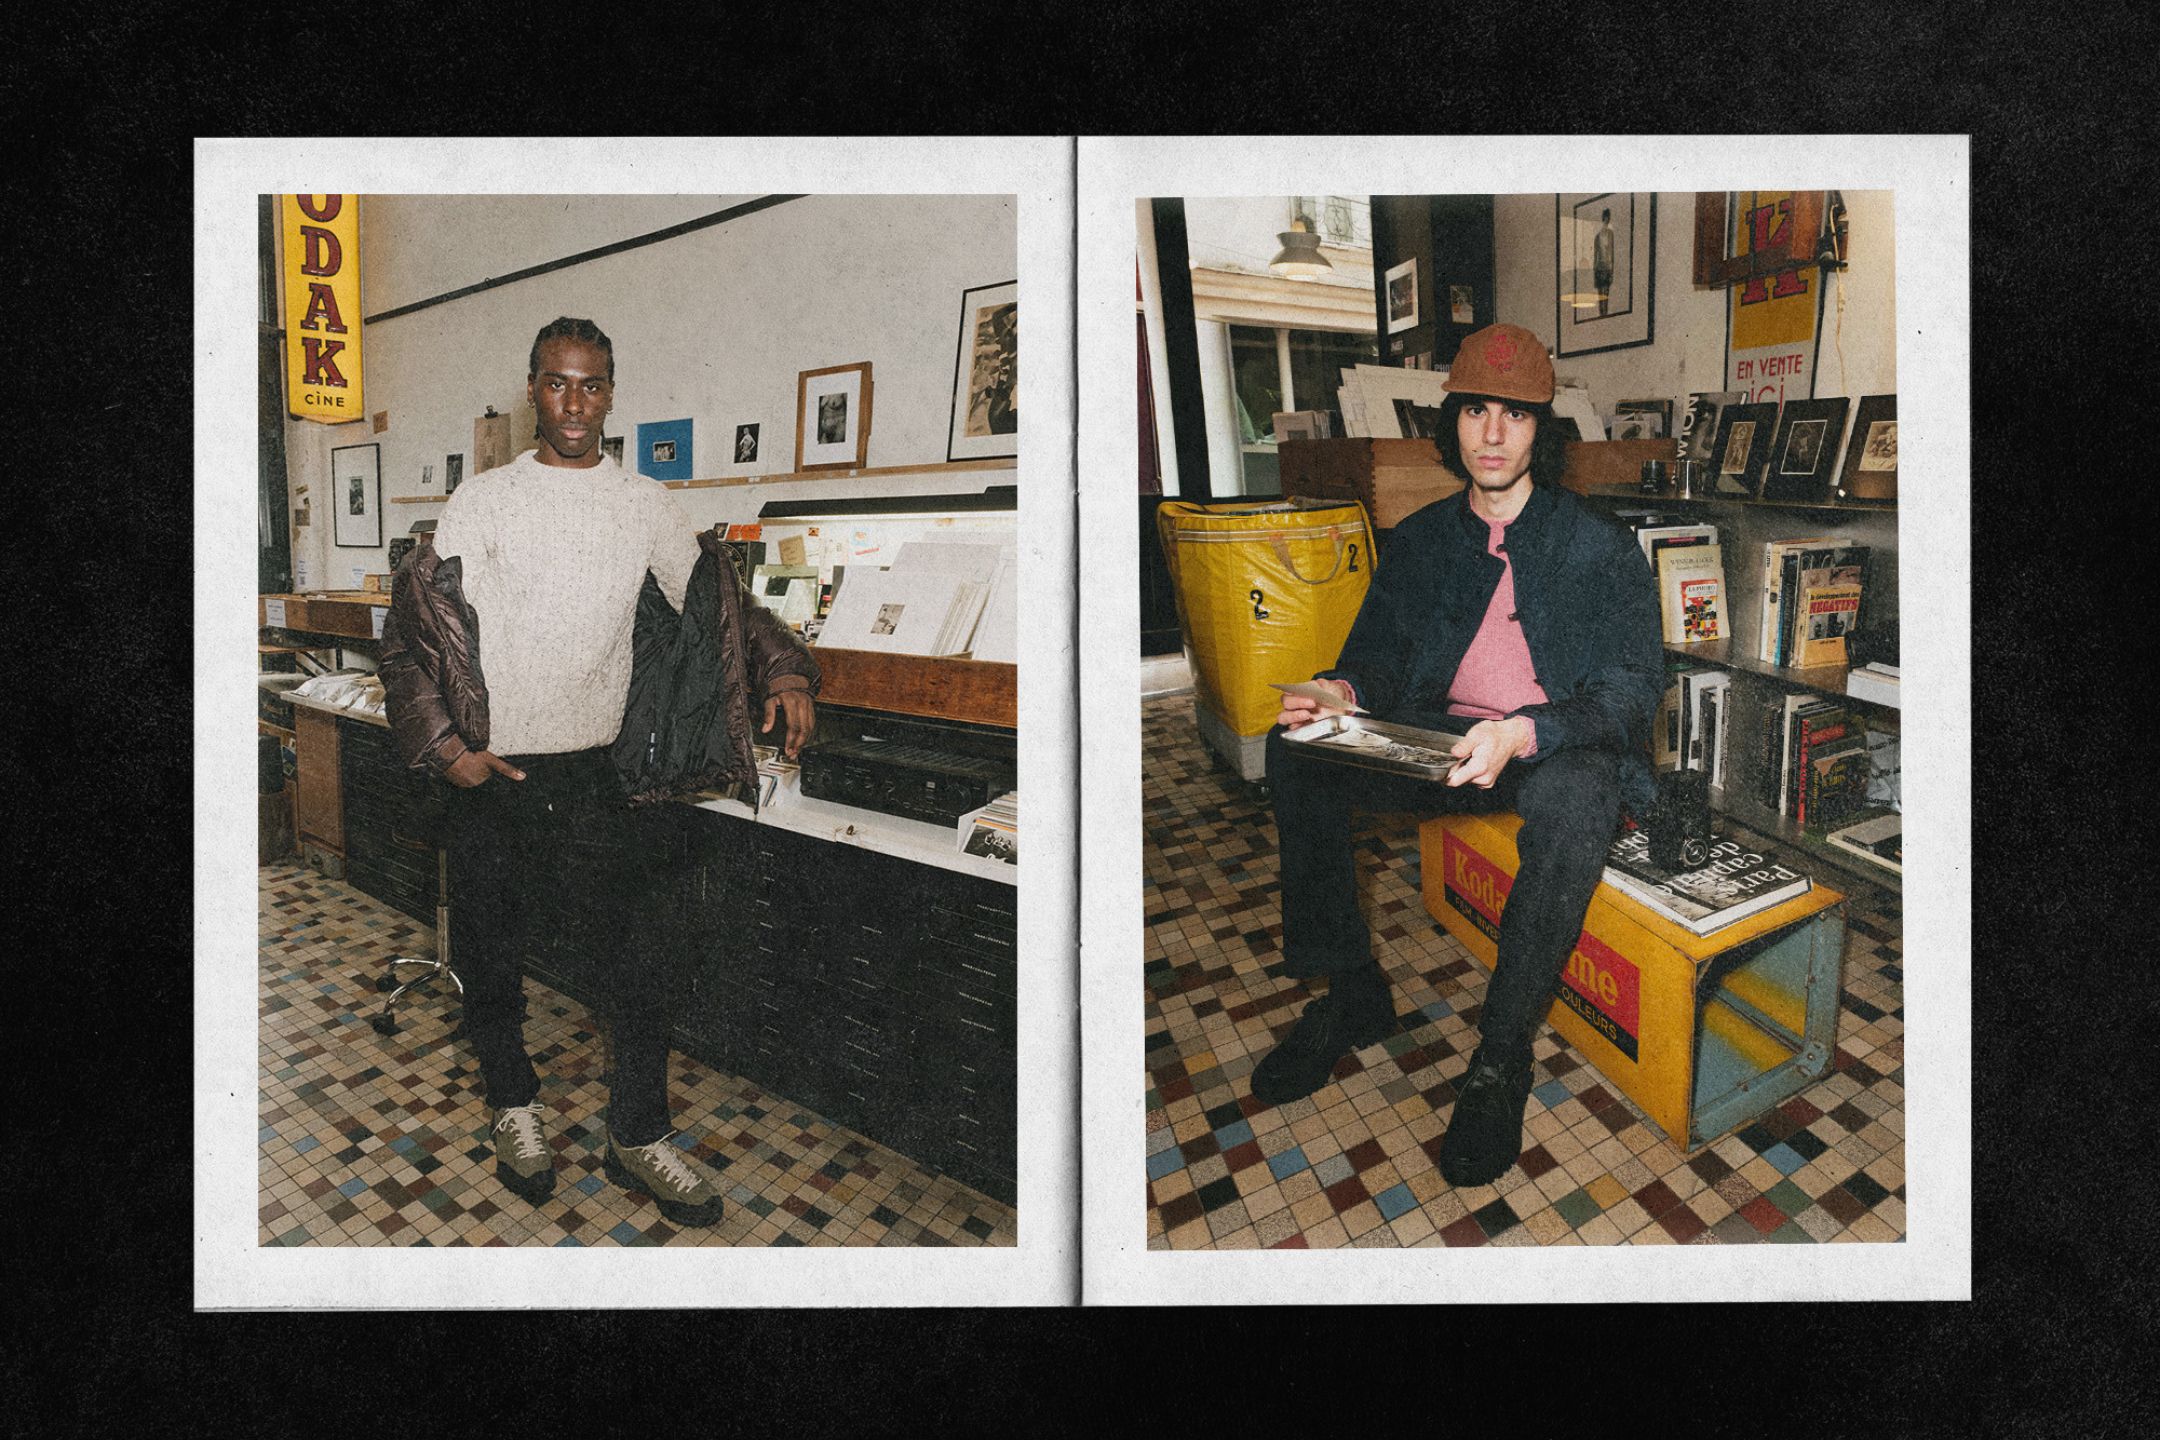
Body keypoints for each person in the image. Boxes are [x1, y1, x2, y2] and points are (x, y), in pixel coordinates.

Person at [379, 316, 818, 1226]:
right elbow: (413, 637)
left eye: (590, 384)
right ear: (532, 389)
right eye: (557, 382)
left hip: (604, 772)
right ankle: (513, 1103)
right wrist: (447, 749)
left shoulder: (643, 504)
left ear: (611, 394)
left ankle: (639, 1132)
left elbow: (717, 606)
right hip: (496, 770)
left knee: (644, 955)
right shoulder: (484, 501)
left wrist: (783, 667)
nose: (573, 403)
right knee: (491, 951)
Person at [1255, 322, 1663, 1188]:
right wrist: (1337, 691)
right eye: (1475, 411)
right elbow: (1375, 659)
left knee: (1580, 798)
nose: (1492, 433)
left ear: (1542, 430)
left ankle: (1501, 1055)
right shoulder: (1421, 538)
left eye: (1514, 415)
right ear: (1452, 425)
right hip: (1441, 743)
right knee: (1294, 749)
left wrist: (1523, 730)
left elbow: (1630, 692)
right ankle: (1352, 992)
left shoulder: (1599, 548)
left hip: (1545, 747)